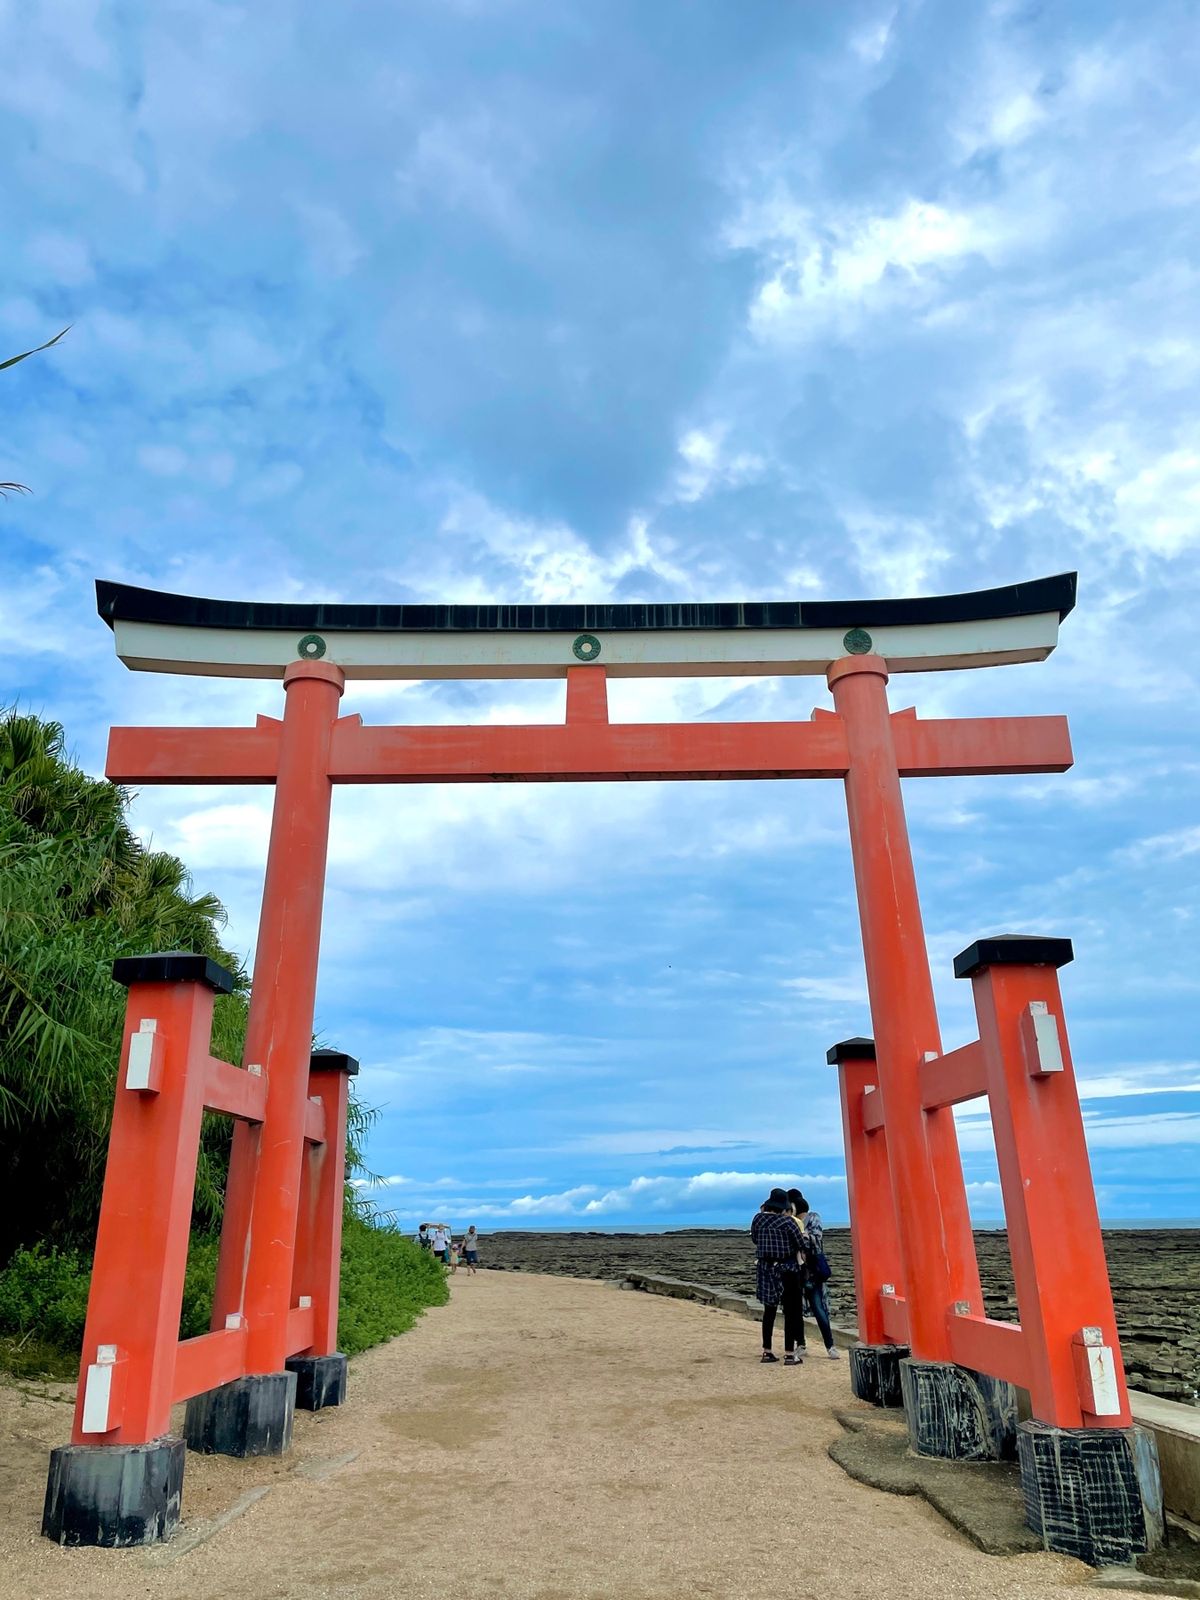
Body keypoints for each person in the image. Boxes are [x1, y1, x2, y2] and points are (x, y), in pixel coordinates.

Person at [751, 1187, 805, 1364]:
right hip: (787, 1269)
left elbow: (755, 1239)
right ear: (784, 1207)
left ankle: (767, 1351)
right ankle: (789, 1353)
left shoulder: (758, 1219)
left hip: (765, 1268)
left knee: (769, 1310)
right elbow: (799, 1243)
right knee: (790, 1311)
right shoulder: (788, 1222)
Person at [788, 1188, 839, 1360]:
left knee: (819, 1308)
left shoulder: (813, 1217)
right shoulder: (789, 1221)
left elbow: (815, 1240)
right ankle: (800, 1344)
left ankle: (830, 1345)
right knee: (796, 1310)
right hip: (796, 1271)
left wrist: (801, 1237)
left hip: (812, 1272)